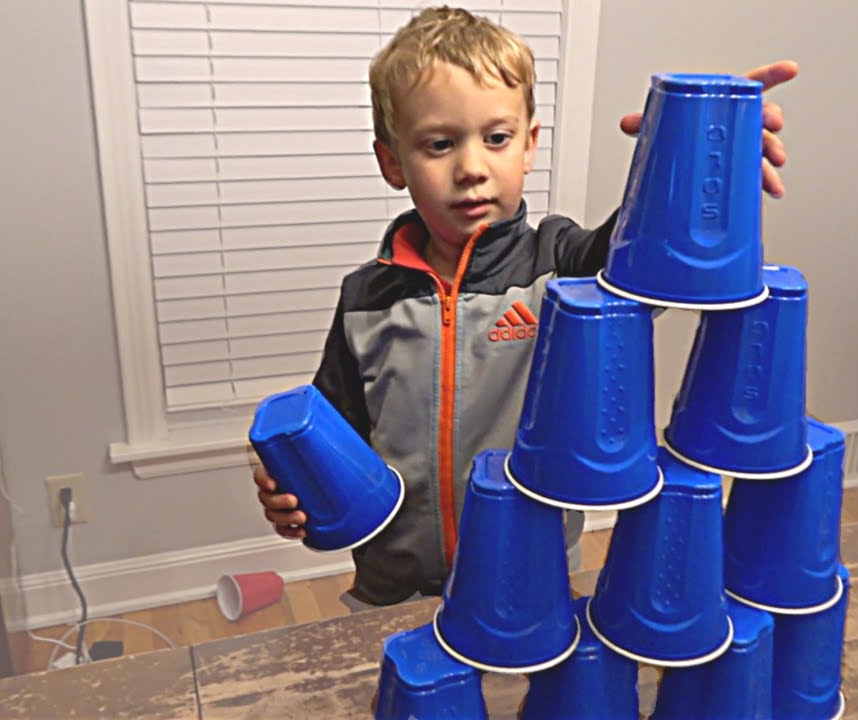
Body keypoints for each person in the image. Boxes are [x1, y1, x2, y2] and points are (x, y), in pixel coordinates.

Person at [254, 5, 798, 608]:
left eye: (496, 138)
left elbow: (647, 264)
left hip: (534, 575)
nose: (472, 169)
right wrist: (293, 490)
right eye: (440, 144)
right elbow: (334, 435)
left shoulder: (560, 265)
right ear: (392, 162)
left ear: (529, 145)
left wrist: (692, 151)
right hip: (392, 584)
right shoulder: (365, 299)